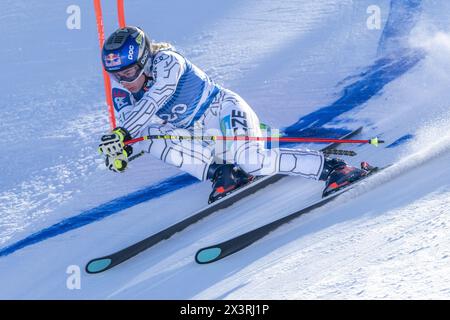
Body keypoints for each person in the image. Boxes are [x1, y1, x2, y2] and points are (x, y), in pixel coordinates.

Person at [98, 26, 368, 203]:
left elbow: (157, 99)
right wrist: (120, 153)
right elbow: (134, 134)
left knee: (254, 162)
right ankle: (223, 173)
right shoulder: (122, 93)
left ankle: (334, 168)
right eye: (116, 75)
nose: (124, 80)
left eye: (129, 72)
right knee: (146, 134)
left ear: (145, 60)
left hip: (223, 111)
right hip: (201, 137)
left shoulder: (168, 61)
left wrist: (123, 134)